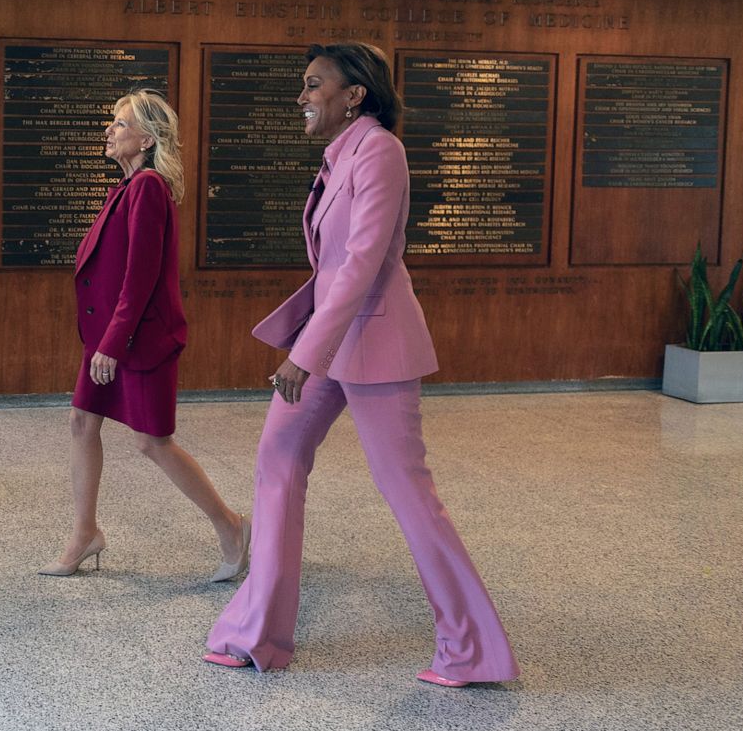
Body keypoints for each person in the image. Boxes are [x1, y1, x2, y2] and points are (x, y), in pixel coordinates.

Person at [203, 44, 519, 686]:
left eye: (315, 84)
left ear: (355, 95)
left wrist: (302, 353)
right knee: (277, 459)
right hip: (332, 339)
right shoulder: (339, 155)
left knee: (407, 490)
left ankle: (472, 650)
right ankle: (258, 634)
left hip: (373, 340)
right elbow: (332, 263)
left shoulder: (380, 150)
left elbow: (362, 261)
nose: (302, 95)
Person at [40, 89, 250, 582]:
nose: (109, 130)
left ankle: (231, 526)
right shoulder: (127, 188)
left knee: (153, 442)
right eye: (112, 122)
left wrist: (113, 342)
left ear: (147, 138)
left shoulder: (149, 187)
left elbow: (142, 274)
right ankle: (85, 533)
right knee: (81, 422)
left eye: (120, 123)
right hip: (110, 336)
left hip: (140, 339)